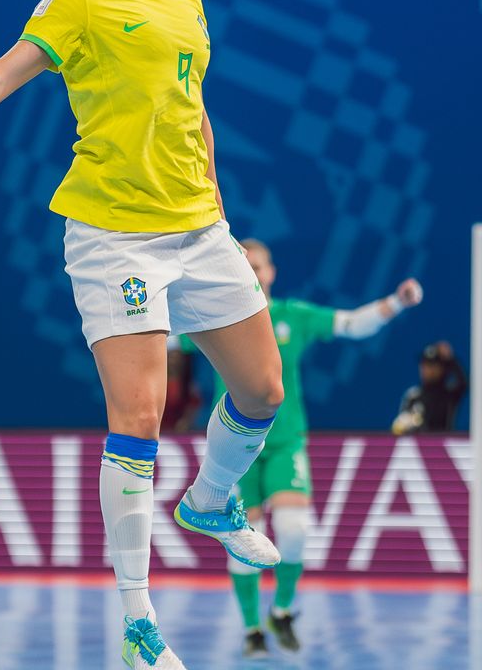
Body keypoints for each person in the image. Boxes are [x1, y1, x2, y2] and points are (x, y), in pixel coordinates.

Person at [0, 0, 285, 666]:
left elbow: (193, 109)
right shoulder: (77, 1)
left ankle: (211, 501)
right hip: (117, 236)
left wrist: (216, 207)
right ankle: (139, 623)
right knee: (139, 416)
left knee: (262, 391)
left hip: (200, 227)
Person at [187, 238, 422, 658]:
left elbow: (352, 324)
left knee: (294, 530)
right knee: (241, 540)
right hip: (235, 449)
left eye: (258, 266)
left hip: (284, 441)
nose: (253, 273)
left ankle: (281, 611)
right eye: (245, 266)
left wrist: (396, 302)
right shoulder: (213, 317)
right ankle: (253, 630)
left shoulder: (292, 316)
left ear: (271, 272)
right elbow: (165, 339)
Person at [391, 341, 468, 435]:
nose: (427, 370)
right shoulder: (413, 395)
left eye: (432, 365)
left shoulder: (449, 394)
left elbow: (464, 383)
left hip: (443, 441)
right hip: (419, 442)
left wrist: (451, 359)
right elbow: (401, 424)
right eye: (424, 365)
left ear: (442, 368)